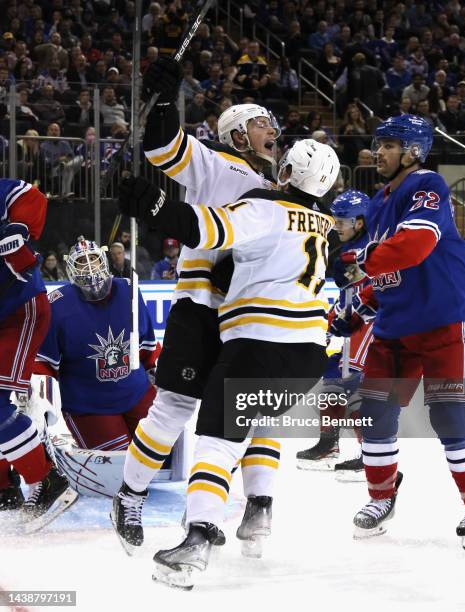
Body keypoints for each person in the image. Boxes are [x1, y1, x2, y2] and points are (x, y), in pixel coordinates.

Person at [116, 138, 339, 587]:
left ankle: (194, 543)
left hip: (258, 342)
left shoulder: (266, 207)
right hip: (310, 354)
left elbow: (201, 228)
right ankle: (258, 514)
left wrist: (153, 204)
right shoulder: (324, 223)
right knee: (261, 424)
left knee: (216, 442)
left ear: (285, 174)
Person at [110, 56, 283, 555]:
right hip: (203, 305)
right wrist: (167, 96)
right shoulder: (217, 164)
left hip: (249, 315)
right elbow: (163, 146)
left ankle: (238, 508)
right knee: (174, 408)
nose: (270, 128)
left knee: (250, 414)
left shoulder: (279, 190)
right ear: (234, 135)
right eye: (258, 122)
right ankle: (130, 495)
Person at [339, 115, 465, 548]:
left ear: (414, 150)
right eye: (378, 144)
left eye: (389, 144)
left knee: (450, 413)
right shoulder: (378, 202)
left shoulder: (427, 186)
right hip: (397, 328)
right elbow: (390, 275)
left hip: (444, 321)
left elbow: (414, 247)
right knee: (373, 410)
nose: (377, 152)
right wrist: (361, 306)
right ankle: (382, 495)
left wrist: (361, 262)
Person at [34, 238, 160, 454]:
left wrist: (158, 370)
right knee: (119, 465)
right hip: (90, 406)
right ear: (71, 269)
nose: (90, 267)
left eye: (93, 259)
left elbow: (146, 344)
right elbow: (44, 363)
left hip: (136, 392)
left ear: (104, 260)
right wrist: (41, 400)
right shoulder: (57, 304)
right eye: (82, 262)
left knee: (158, 456)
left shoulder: (130, 290)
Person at [0, 179, 77, 527]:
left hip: (19, 310)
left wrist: (18, 228)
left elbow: (30, 196)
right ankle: (4, 486)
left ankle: (46, 478)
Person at [296, 190, 373, 479]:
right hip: (356, 321)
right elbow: (346, 293)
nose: (337, 226)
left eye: (344, 221)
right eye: (336, 220)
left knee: (353, 381)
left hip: (374, 323)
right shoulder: (348, 247)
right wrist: (331, 321)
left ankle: (372, 455)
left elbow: (371, 291)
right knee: (332, 374)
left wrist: (349, 317)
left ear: (361, 222)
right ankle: (329, 445)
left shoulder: (371, 247)